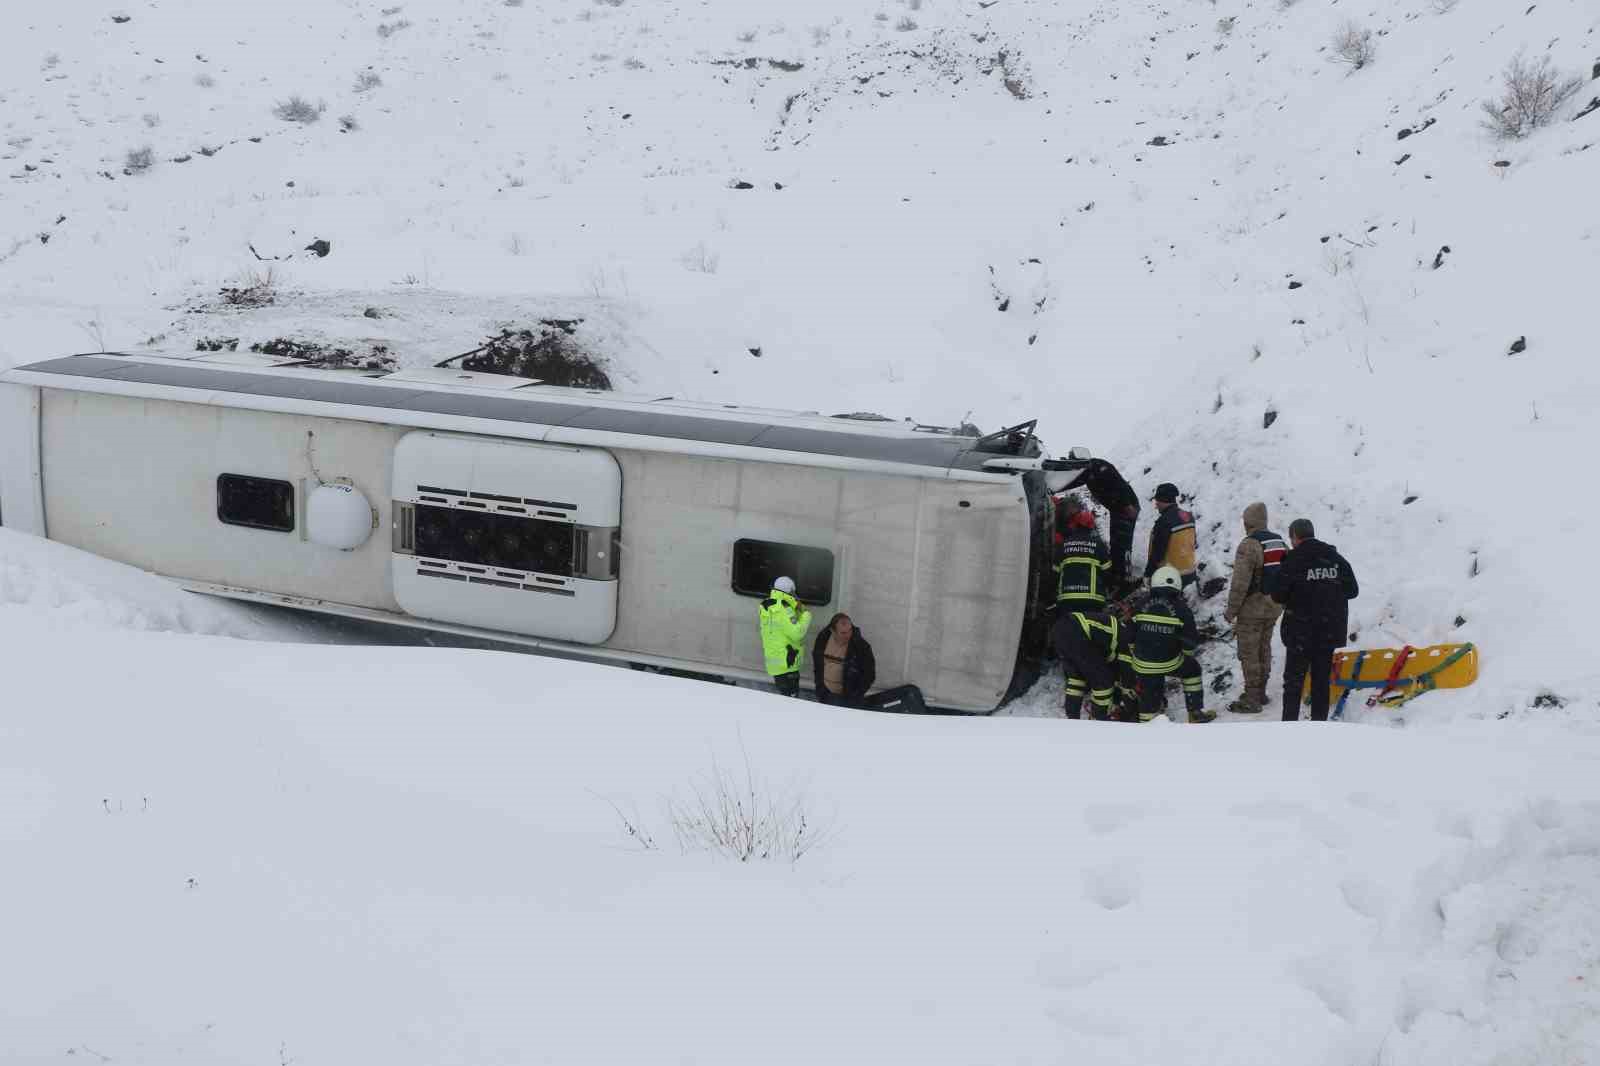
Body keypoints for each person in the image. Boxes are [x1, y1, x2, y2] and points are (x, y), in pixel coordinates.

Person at [1272, 518, 1359, 722]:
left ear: (1295, 537)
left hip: (1300, 632)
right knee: (1321, 682)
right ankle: (1319, 727)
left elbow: (1277, 595)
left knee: (1294, 683)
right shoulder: (1335, 558)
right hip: (1329, 630)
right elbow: (1352, 590)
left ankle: (1289, 727)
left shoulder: (1293, 560)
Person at [1222, 502, 1288, 714]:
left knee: (1249, 652)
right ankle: (1261, 691)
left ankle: (1252, 698)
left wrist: (1231, 611)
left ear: (1249, 521)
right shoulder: (1279, 542)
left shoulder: (1249, 545)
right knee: (1264, 648)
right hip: (1274, 606)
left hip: (1252, 609)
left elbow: (1240, 583)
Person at [1126, 565, 1214, 723]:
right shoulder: (1181, 608)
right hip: (1169, 662)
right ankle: (1195, 713)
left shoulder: (1139, 604)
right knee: (1192, 669)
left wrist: (1136, 655)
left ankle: (1146, 723)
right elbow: (1191, 641)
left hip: (1142, 663)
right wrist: (1184, 654)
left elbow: (1129, 634)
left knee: (1149, 693)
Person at [1061, 451, 1141, 593]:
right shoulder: (1084, 472)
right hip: (1116, 509)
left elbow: (1118, 484)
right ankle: (1116, 577)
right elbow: (1069, 482)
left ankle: (1124, 581)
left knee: (1122, 546)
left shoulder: (1100, 467)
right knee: (1116, 544)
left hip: (1126, 508)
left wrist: (1127, 505)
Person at [1055, 607, 1127, 720]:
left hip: (1061, 632)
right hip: (1079, 633)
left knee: (1076, 680)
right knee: (1103, 681)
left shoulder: (1118, 633)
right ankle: (1098, 722)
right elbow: (1120, 674)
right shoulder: (1127, 642)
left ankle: (1072, 720)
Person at [759, 576, 812, 697]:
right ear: (790, 590)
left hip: (775, 663)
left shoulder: (767, 605)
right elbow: (796, 633)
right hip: (788, 662)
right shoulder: (785, 607)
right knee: (790, 702)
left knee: (783, 701)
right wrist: (806, 615)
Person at [1054, 500, 1113, 611]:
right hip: (1093, 600)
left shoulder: (1063, 545)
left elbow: (1055, 573)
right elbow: (1108, 572)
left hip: (1067, 600)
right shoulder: (1098, 545)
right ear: (1091, 527)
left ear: (1074, 525)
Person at [812, 613, 876, 707]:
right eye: (843, 633)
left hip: (849, 698)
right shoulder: (823, 639)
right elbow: (817, 664)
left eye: (850, 631)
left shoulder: (861, 646)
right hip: (826, 693)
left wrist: (855, 695)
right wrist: (819, 686)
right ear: (833, 631)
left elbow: (869, 675)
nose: (848, 635)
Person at [1145, 483, 1198, 589]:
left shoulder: (1163, 522)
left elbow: (1158, 553)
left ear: (1163, 500)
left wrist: (1148, 574)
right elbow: (1193, 543)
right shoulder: (1189, 517)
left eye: (1157, 502)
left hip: (1170, 577)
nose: (1156, 506)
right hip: (1190, 573)